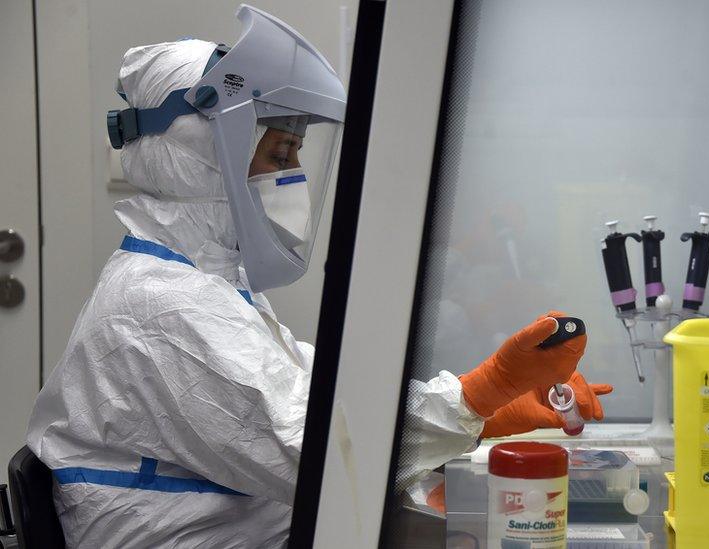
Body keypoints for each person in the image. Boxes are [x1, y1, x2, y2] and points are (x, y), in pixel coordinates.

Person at [26, 6, 611, 548]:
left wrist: (482, 414)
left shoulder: (200, 281)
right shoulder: (163, 307)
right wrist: (483, 392)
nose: (294, 178)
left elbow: (318, 400)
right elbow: (318, 453)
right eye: (280, 154)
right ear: (202, 150)